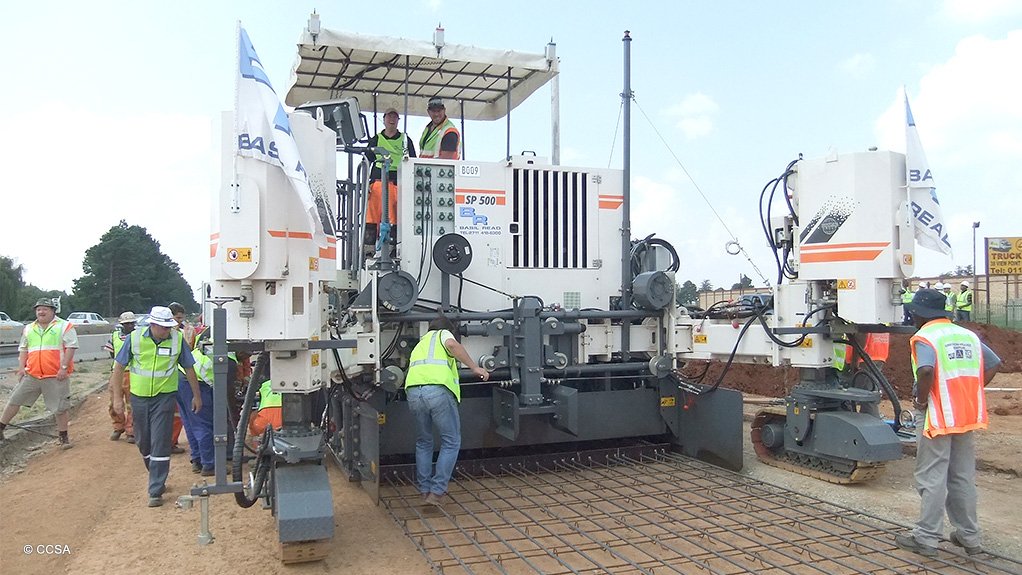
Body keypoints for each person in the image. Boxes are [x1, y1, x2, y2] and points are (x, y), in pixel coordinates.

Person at [894, 288, 1001, 558]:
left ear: (918, 313)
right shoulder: (966, 335)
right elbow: (993, 363)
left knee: (932, 476)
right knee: (962, 476)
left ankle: (926, 539)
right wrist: (972, 391)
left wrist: (920, 400)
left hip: (937, 416)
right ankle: (969, 537)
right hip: (965, 414)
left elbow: (926, 370)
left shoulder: (925, 337)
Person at [110, 306, 202, 508]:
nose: (166, 331)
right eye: (163, 327)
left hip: (164, 397)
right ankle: (155, 471)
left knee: (160, 440)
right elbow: (118, 368)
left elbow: (189, 368)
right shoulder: (134, 339)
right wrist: (117, 398)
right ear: (152, 325)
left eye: (169, 327)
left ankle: (156, 489)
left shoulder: (177, 340)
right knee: (143, 441)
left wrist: (197, 396)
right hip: (139, 398)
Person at [404, 316, 488, 507]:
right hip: (437, 391)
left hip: (413, 392)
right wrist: (474, 367)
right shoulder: (443, 334)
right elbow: (452, 345)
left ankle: (424, 490)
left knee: (424, 442)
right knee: (451, 441)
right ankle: (437, 491)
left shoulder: (421, 342)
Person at [0, 298, 78, 449]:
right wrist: (21, 368)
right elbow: (23, 349)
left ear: (53, 311)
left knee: (60, 407)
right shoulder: (29, 328)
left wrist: (63, 367)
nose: (41, 312)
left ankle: (63, 438)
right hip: (32, 375)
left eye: (45, 309)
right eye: (38, 309)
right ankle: (1, 429)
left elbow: (71, 347)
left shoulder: (64, 326)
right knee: (14, 400)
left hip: (55, 376)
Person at [364, 107, 416, 254]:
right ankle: (368, 251)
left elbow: (412, 160)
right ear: (384, 119)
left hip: (397, 183)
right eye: (389, 117)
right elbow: (367, 161)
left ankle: (393, 251)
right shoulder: (376, 139)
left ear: (398, 120)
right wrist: (365, 183)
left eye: (395, 117)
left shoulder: (405, 139)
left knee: (395, 220)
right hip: (378, 182)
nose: (392, 120)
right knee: (371, 217)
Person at [104, 311, 137, 442]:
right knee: (114, 402)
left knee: (132, 403)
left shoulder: (137, 337)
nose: (129, 326)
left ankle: (131, 430)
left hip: (132, 373)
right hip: (117, 372)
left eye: (131, 323)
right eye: (126, 324)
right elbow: (112, 354)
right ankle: (118, 426)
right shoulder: (114, 336)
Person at [167, 302, 192, 455]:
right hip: (164, 377)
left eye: (181, 319)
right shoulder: (162, 332)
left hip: (180, 375)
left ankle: (171, 442)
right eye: (177, 318)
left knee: (178, 413)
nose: (179, 322)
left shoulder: (185, 331)